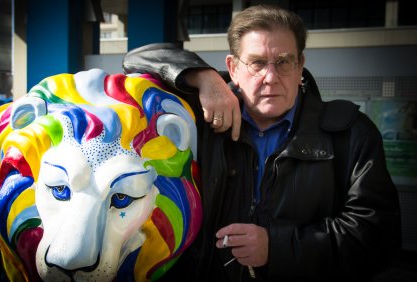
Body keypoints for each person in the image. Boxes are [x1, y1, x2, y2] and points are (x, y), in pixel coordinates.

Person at [123, 4, 401, 282]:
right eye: (256, 63)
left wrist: (278, 247)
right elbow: (137, 58)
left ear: (300, 65)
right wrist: (204, 76)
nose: (271, 77)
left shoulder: (351, 133)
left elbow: (378, 238)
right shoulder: (203, 120)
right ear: (232, 67)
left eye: (283, 62)